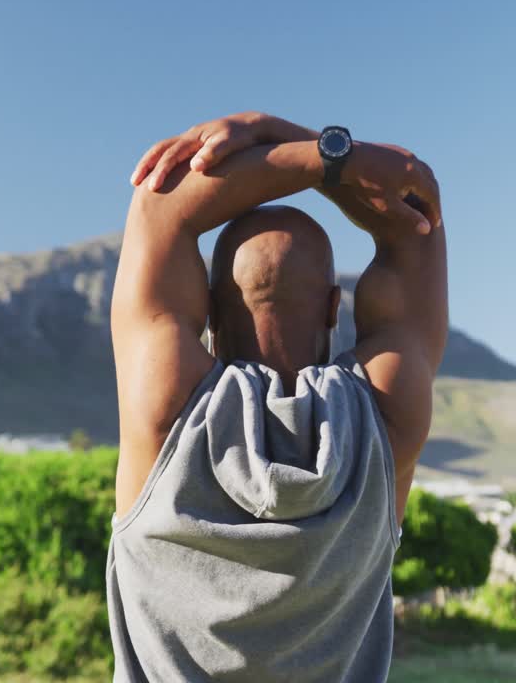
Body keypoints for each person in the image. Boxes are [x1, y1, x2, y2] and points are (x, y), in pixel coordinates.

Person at [108, 112, 446, 682]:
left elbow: (159, 205)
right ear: (336, 308)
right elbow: (415, 214)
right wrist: (318, 150)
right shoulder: (389, 418)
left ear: (209, 313)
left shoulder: (164, 409)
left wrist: (318, 153)